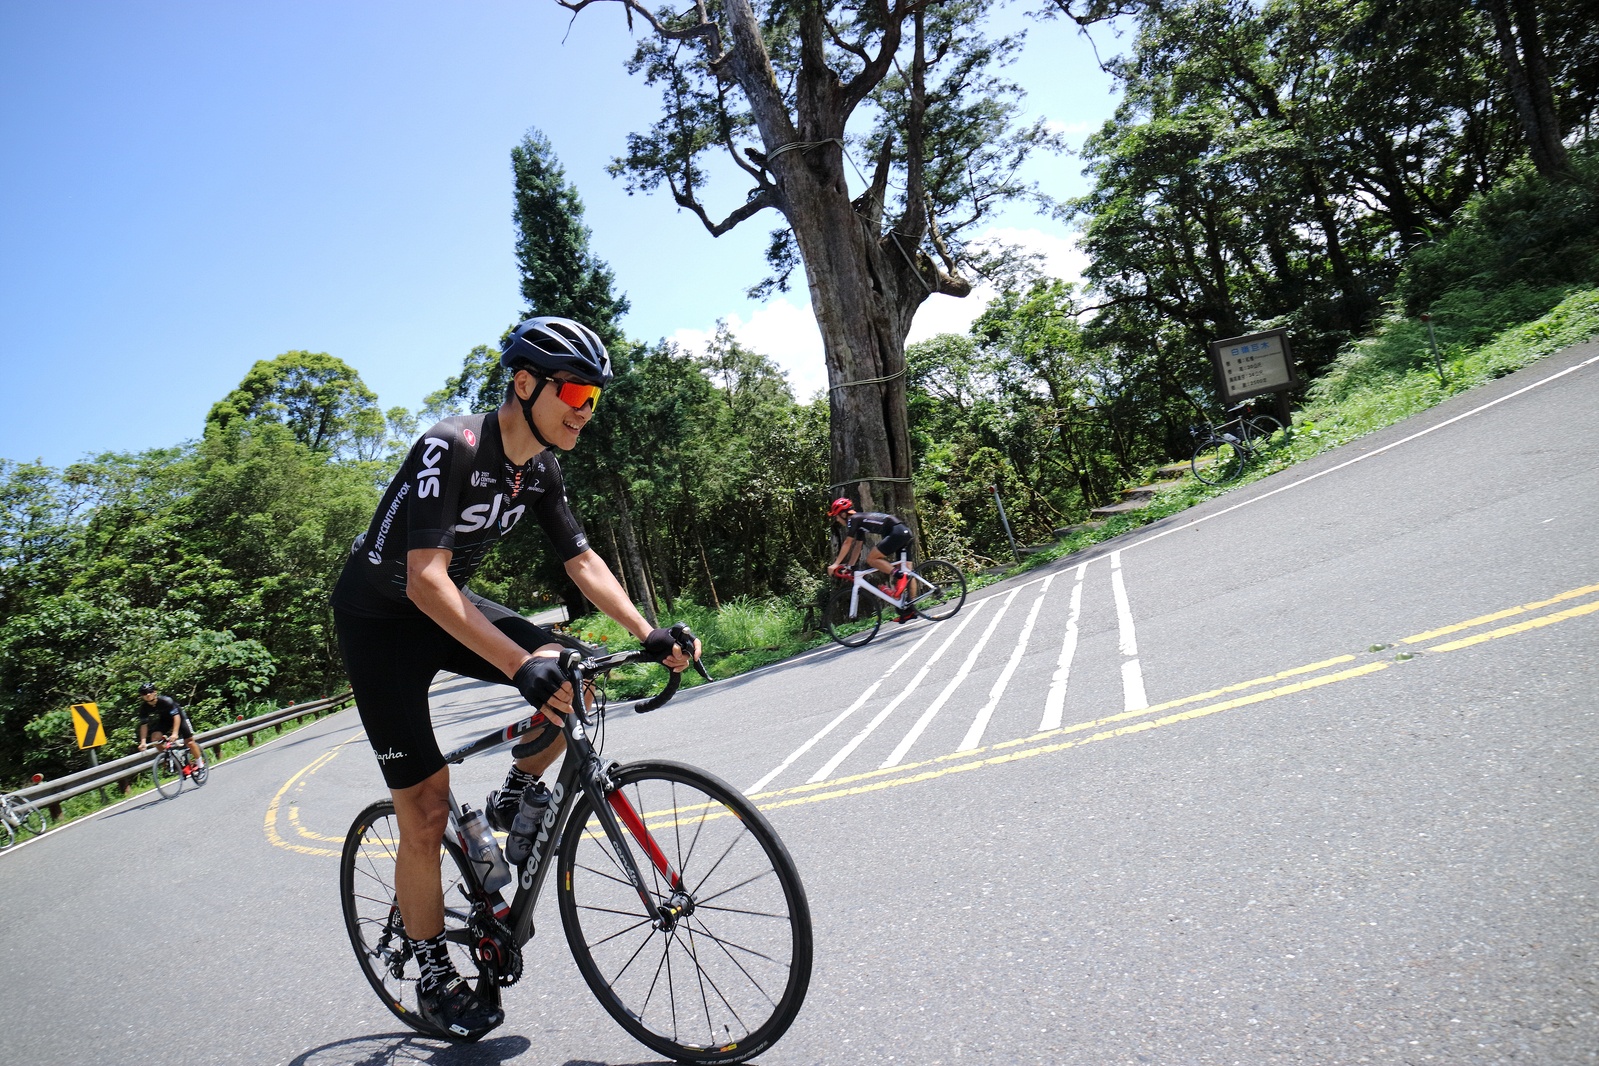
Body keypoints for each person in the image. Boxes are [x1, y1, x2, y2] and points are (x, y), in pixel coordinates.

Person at [330, 315, 697, 1041]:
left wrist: (646, 632)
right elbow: (424, 578)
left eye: (595, 398)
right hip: (382, 625)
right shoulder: (454, 446)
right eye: (576, 393)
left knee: (573, 677)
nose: (586, 410)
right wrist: (516, 663)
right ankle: (433, 974)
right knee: (425, 811)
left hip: (444, 609)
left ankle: (515, 795)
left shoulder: (541, 470)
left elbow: (581, 561)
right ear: (525, 384)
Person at [825, 498, 915, 621]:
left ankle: (899, 575)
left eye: (837, 516)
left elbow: (847, 543)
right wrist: (850, 566)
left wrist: (836, 564)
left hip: (896, 533)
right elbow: (858, 546)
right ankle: (911, 609)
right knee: (908, 571)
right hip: (903, 531)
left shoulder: (854, 519)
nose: (837, 520)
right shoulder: (859, 521)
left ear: (843, 514)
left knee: (871, 559)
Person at [135, 683, 205, 773]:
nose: (148, 694)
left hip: (180, 718)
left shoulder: (166, 701)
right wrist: (143, 742)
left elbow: (176, 716)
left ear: (155, 692)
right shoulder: (144, 707)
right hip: (165, 720)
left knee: (190, 742)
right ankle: (172, 758)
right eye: (144, 693)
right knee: (155, 738)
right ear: (142, 696)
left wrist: (175, 733)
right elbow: (144, 725)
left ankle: (200, 765)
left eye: (150, 691)